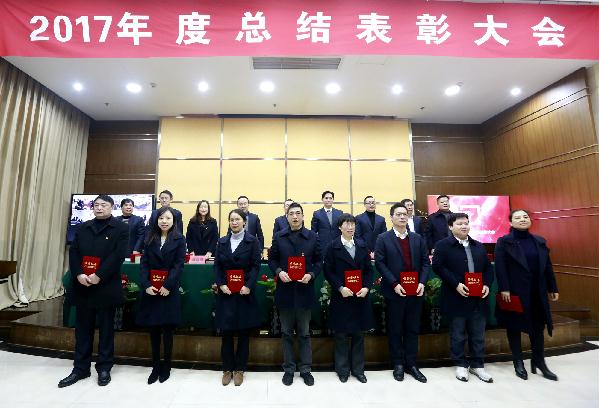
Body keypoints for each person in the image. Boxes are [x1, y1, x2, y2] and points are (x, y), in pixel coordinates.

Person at [59, 195, 128, 388]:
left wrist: (99, 275)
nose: (99, 208)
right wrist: (78, 274)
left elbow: (118, 255)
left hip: (106, 285)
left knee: (106, 329)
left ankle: (104, 367)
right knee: (82, 329)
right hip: (83, 285)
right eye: (96, 205)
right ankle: (80, 368)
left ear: (112, 207)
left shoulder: (121, 228)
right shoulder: (83, 227)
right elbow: (74, 252)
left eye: (103, 205)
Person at [494, 209, 559, 381]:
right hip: (514, 292)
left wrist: (553, 287)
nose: (522, 219)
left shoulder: (539, 241)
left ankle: (539, 361)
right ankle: (518, 362)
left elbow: (547, 266)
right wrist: (505, 288)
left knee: (538, 328)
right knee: (514, 327)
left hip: (537, 292)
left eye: (525, 217)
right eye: (518, 217)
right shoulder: (504, 242)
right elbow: (500, 267)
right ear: (510, 222)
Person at [432, 213, 494, 383]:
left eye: (466, 223)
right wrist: (456, 284)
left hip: (478, 298)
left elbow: (488, 269)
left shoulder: (478, 245)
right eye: (459, 224)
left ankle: (477, 364)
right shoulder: (443, 245)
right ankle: (460, 364)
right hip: (456, 296)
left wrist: (486, 284)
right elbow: (438, 267)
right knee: (458, 333)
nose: (464, 226)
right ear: (451, 226)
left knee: (478, 334)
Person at [375, 203, 429, 383]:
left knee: (412, 328)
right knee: (395, 328)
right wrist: (394, 283)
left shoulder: (417, 238)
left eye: (405, 214)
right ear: (391, 217)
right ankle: (398, 363)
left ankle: (411, 364)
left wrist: (422, 282)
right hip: (395, 291)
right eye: (398, 214)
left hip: (415, 291)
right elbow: (380, 263)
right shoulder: (383, 238)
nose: (402, 217)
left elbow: (425, 263)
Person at [269, 202, 321, 386]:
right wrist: (279, 272)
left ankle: (305, 369)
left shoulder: (313, 237)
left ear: (303, 216)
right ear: (287, 216)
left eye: (298, 213)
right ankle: (289, 369)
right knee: (286, 333)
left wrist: (311, 274)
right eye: (291, 214)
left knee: (305, 333)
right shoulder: (279, 236)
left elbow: (319, 261)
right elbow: (272, 259)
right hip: (285, 290)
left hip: (304, 290)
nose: (295, 217)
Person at [136, 206, 186, 384]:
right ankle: (155, 366)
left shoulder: (179, 239)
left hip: (168, 291)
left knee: (167, 330)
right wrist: (146, 284)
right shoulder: (150, 237)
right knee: (154, 330)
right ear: (156, 220)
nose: (164, 221)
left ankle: (167, 366)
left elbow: (179, 265)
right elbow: (144, 264)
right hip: (152, 290)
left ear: (174, 221)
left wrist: (168, 285)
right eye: (161, 218)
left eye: (168, 218)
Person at [324, 213, 373, 383]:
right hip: (342, 296)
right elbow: (328, 271)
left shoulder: (362, 244)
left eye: (352, 224)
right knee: (341, 335)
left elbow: (369, 270)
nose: (350, 227)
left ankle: (358, 370)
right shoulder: (332, 246)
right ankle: (342, 370)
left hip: (360, 296)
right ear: (340, 227)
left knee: (359, 335)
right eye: (347, 224)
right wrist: (340, 287)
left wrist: (366, 287)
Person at [214, 209, 262, 386]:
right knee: (226, 333)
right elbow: (217, 266)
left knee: (243, 333)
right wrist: (221, 284)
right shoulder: (222, 241)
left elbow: (256, 266)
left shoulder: (252, 241)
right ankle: (227, 369)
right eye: (231, 219)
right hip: (226, 292)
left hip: (244, 292)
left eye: (237, 219)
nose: (234, 222)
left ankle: (240, 369)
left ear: (244, 222)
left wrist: (248, 285)